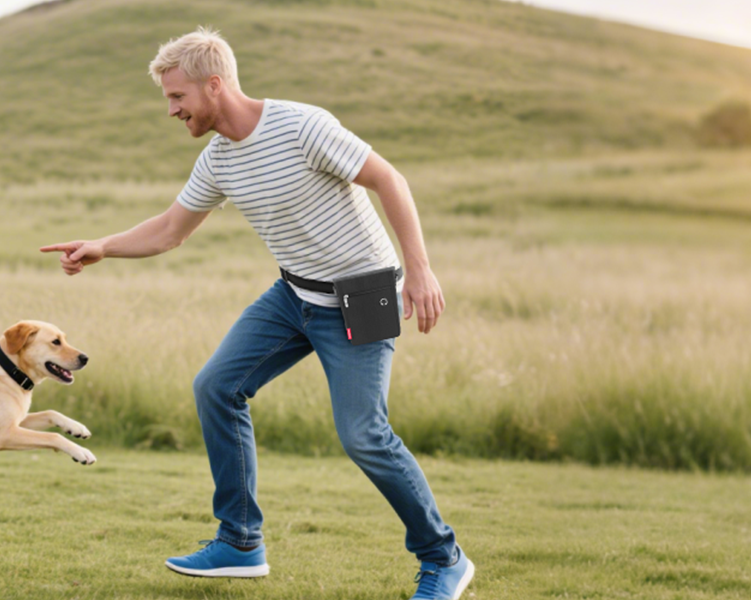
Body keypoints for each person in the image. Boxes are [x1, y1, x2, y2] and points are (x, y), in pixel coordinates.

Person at [39, 27, 473, 600]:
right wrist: (101, 246)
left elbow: (388, 179)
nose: (171, 110)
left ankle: (444, 559)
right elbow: (170, 230)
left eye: (177, 97)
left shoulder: (301, 126)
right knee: (217, 387)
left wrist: (419, 269)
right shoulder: (219, 157)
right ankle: (240, 542)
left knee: (364, 434)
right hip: (294, 295)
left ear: (214, 86)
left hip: (363, 292)